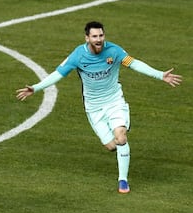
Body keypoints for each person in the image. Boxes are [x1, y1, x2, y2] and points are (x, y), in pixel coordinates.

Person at [16, 21, 182, 193]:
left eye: (101, 35)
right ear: (87, 38)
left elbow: (134, 63)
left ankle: (123, 180)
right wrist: (36, 88)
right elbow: (58, 74)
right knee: (112, 145)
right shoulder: (78, 56)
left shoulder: (114, 51)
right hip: (94, 108)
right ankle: (120, 147)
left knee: (121, 136)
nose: (99, 39)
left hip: (114, 101)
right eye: (94, 36)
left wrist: (160, 75)